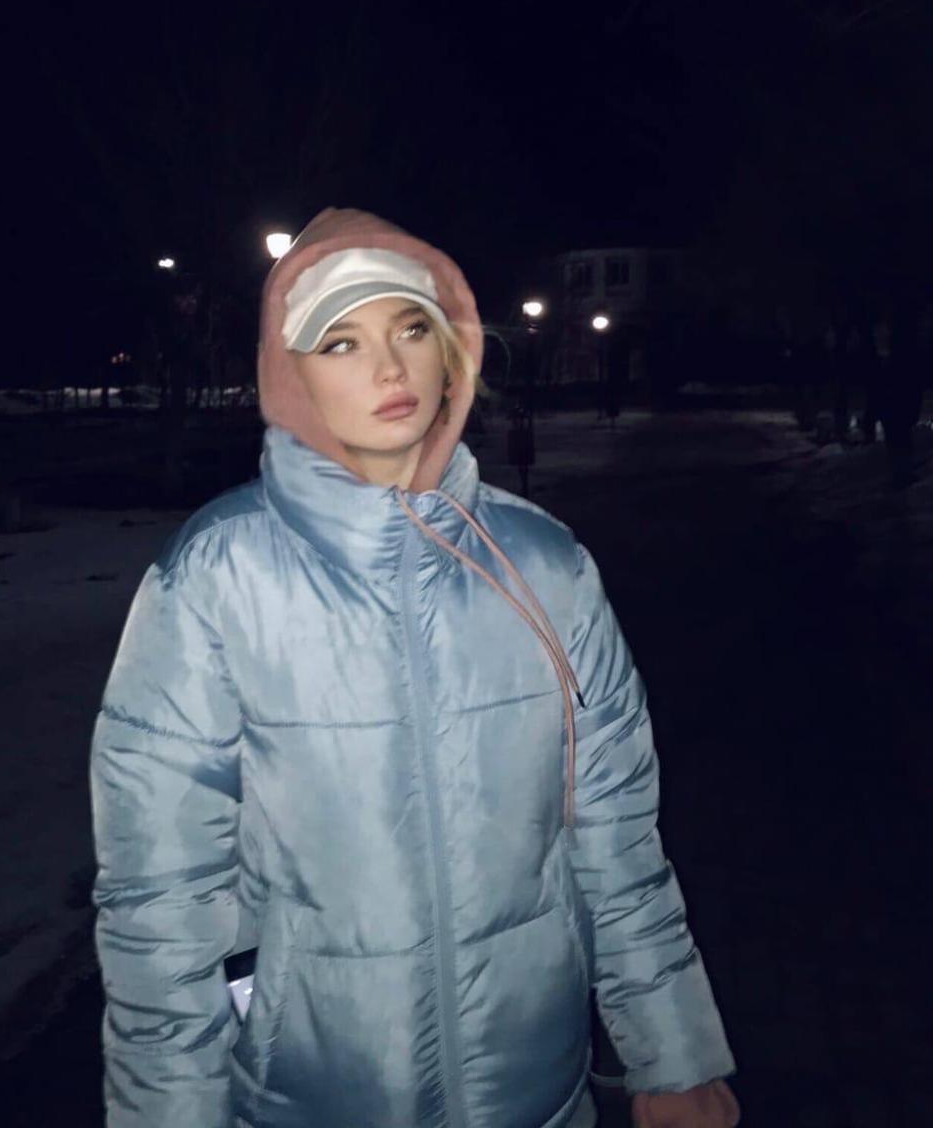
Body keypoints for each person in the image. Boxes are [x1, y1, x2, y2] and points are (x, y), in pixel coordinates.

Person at [90, 207, 740, 1128]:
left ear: (451, 351)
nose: (390, 368)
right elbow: (160, 893)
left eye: (411, 329)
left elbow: (618, 836)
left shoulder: (545, 567)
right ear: (292, 373)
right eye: (342, 341)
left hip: (536, 1091)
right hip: (310, 1097)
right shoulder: (217, 576)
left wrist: (671, 1054)